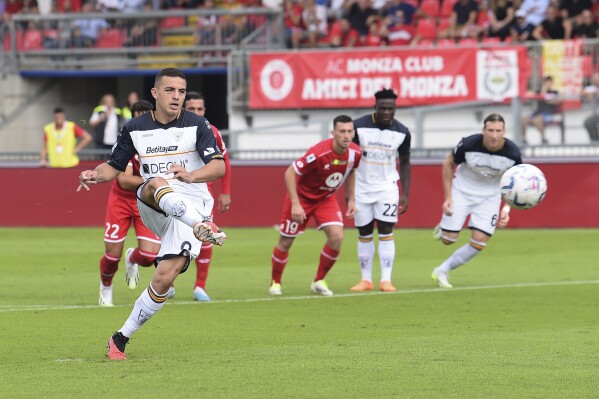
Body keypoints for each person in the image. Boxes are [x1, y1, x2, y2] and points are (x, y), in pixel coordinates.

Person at [77, 68, 227, 360]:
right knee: (155, 181)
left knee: (164, 278)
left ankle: (119, 339)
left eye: (181, 91)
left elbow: (219, 166)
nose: (177, 97)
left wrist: (192, 175)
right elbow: (114, 166)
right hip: (155, 201)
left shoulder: (198, 125)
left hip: (192, 200)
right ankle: (201, 227)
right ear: (155, 93)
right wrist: (94, 174)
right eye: (170, 90)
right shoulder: (135, 127)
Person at [269, 115, 362, 297]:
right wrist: (296, 203)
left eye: (350, 131)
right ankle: (275, 282)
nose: (346, 135)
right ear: (333, 133)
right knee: (286, 241)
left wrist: (351, 198)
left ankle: (318, 280)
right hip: (301, 198)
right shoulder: (319, 152)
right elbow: (290, 172)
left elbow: (351, 172)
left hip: (325, 199)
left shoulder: (355, 153)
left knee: (337, 237)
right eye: (342, 131)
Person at [431, 113, 522, 288]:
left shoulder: (513, 154)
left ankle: (442, 270)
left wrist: (506, 209)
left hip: (490, 198)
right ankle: (443, 228)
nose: (494, 135)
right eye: (490, 130)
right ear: (483, 130)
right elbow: (448, 164)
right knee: (448, 240)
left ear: (504, 131)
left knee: (479, 241)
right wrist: (448, 197)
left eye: (498, 131)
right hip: (462, 192)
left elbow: (516, 182)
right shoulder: (468, 144)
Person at [98, 100, 161, 307]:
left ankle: (132, 257)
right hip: (121, 201)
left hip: (145, 202)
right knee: (112, 255)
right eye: (138, 115)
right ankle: (106, 288)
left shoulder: (159, 142)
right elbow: (124, 180)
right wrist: (154, 181)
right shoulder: (126, 140)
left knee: (149, 255)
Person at [349, 88, 411, 293]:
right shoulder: (358, 127)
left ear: (395, 109)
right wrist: (349, 194)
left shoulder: (402, 132)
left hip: (387, 188)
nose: (386, 112)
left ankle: (386, 279)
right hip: (361, 188)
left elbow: (405, 162)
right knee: (364, 232)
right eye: (382, 107)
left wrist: (405, 193)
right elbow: (350, 160)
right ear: (375, 107)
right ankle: (366, 280)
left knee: (386, 231)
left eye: (390, 108)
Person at [183, 91, 232, 302]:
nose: (196, 112)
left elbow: (224, 161)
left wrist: (226, 192)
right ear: (184, 109)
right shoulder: (173, 131)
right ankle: (169, 283)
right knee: (173, 237)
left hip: (204, 192)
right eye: (191, 109)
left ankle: (200, 287)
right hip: (178, 191)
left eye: (199, 109)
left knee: (207, 237)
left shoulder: (212, 131)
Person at [521, 75, 561, 145]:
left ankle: (544, 138)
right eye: (546, 82)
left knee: (537, 120)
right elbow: (530, 94)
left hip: (548, 113)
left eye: (549, 82)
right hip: (538, 112)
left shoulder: (555, 92)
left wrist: (547, 98)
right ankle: (524, 139)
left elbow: (556, 100)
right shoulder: (539, 91)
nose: (548, 84)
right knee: (523, 119)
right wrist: (543, 92)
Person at [581, 72, 599, 143]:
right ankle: (595, 140)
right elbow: (582, 92)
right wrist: (590, 94)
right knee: (588, 122)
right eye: (594, 80)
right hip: (596, 114)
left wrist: (594, 93)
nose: (596, 81)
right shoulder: (592, 88)